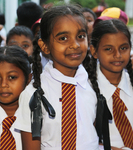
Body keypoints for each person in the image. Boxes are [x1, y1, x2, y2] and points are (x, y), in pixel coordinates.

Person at [15, 5, 99, 150]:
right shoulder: (33, 95)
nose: (75, 44)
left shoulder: (94, 85)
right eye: (63, 38)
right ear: (45, 46)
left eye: (80, 36)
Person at [89, 19, 133, 150]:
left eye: (123, 48)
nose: (117, 55)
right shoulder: (84, 90)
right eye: (108, 49)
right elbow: (81, 140)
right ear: (94, 51)